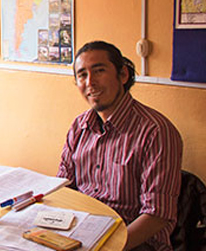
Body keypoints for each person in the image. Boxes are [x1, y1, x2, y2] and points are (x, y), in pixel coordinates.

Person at [57, 41, 182, 250]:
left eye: (99, 71)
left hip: (134, 242)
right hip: (81, 232)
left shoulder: (156, 131)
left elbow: (157, 215)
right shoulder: (80, 126)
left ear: (123, 75)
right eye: (82, 75)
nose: (90, 83)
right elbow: (64, 185)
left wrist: (106, 248)